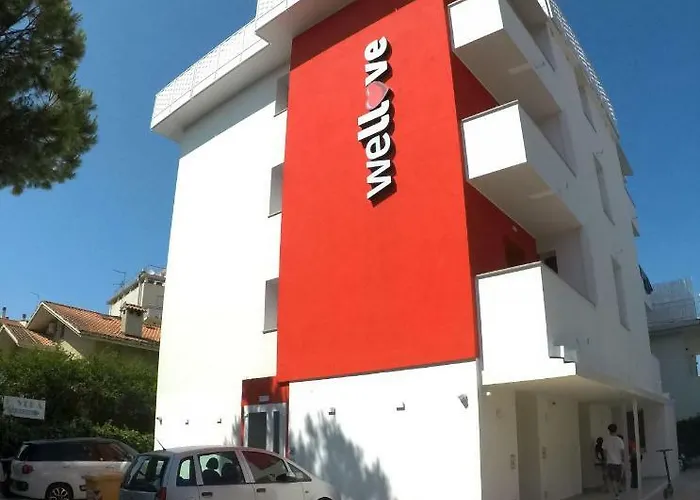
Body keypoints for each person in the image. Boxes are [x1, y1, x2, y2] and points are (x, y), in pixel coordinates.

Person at [603, 424, 626, 499]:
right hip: (618, 463)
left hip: (610, 463)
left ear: (609, 431)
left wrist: (606, 460)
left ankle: (616, 494)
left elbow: (604, 452)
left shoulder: (606, 440)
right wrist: (623, 461)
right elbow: (622, 452)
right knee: (618, 479)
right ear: (616, 430)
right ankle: (617, 492)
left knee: (613, 479)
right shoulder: (619, 440)